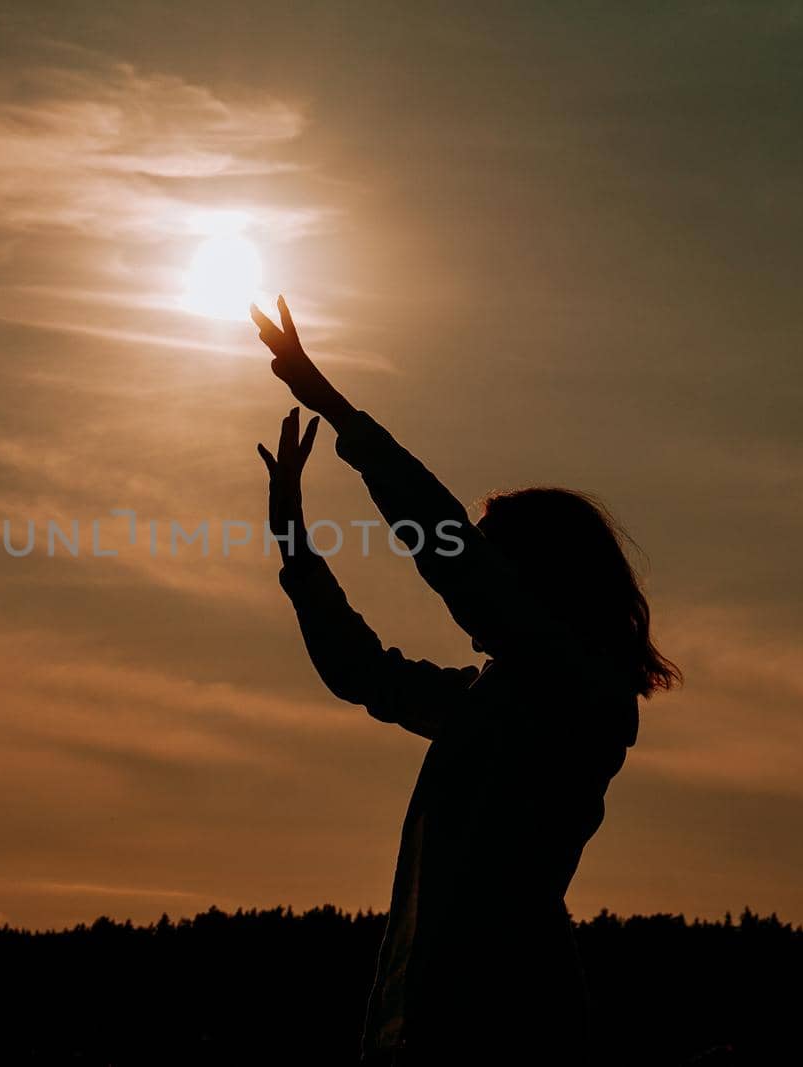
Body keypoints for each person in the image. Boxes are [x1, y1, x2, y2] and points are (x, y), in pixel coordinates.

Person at [251, 296, 679, 1064]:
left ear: (539, 576)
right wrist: (295, 546)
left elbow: (453, 562)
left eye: (498, 560)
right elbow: (366, 674)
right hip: (433, 1023)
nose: (478, 592)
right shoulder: (496, 696)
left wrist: (337, 408)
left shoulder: (576, 690)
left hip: (505, 1027)